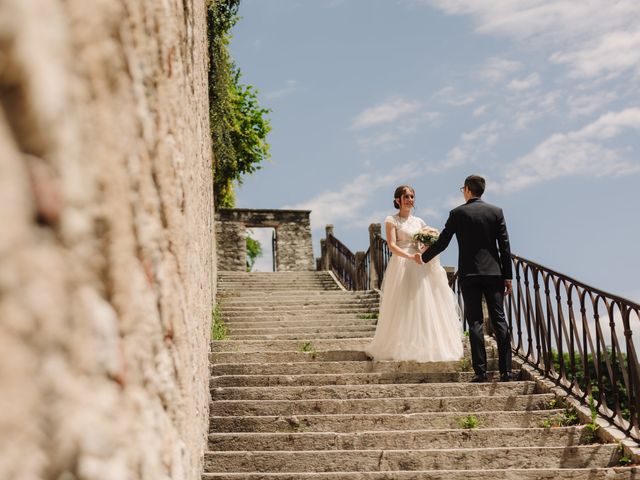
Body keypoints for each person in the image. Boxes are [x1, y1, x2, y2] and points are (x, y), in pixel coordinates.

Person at [416, 174, 513, 382]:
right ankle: (507, 371)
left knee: (475, 322)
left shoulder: (457, 213)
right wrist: (508, 277)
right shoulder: (496, 212)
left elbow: (443, 242)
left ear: (468, 190)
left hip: (469, 274)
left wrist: (423, 257)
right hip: (494, 273)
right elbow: (504, 247)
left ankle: (481, 372)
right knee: (500, 320)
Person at [365, 185, 463, 362]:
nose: (410, 200)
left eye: (412, 196)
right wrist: (409, 256)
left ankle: (425, 344)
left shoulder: (419, 221)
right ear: (398, 200)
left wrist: (425, 249)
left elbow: (428, 241)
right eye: (407, 196)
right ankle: (400, 344)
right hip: (402, 262)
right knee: (403, 303)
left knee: (423, 301)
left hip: (419, 262)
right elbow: (392, 245)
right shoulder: (391, 220)